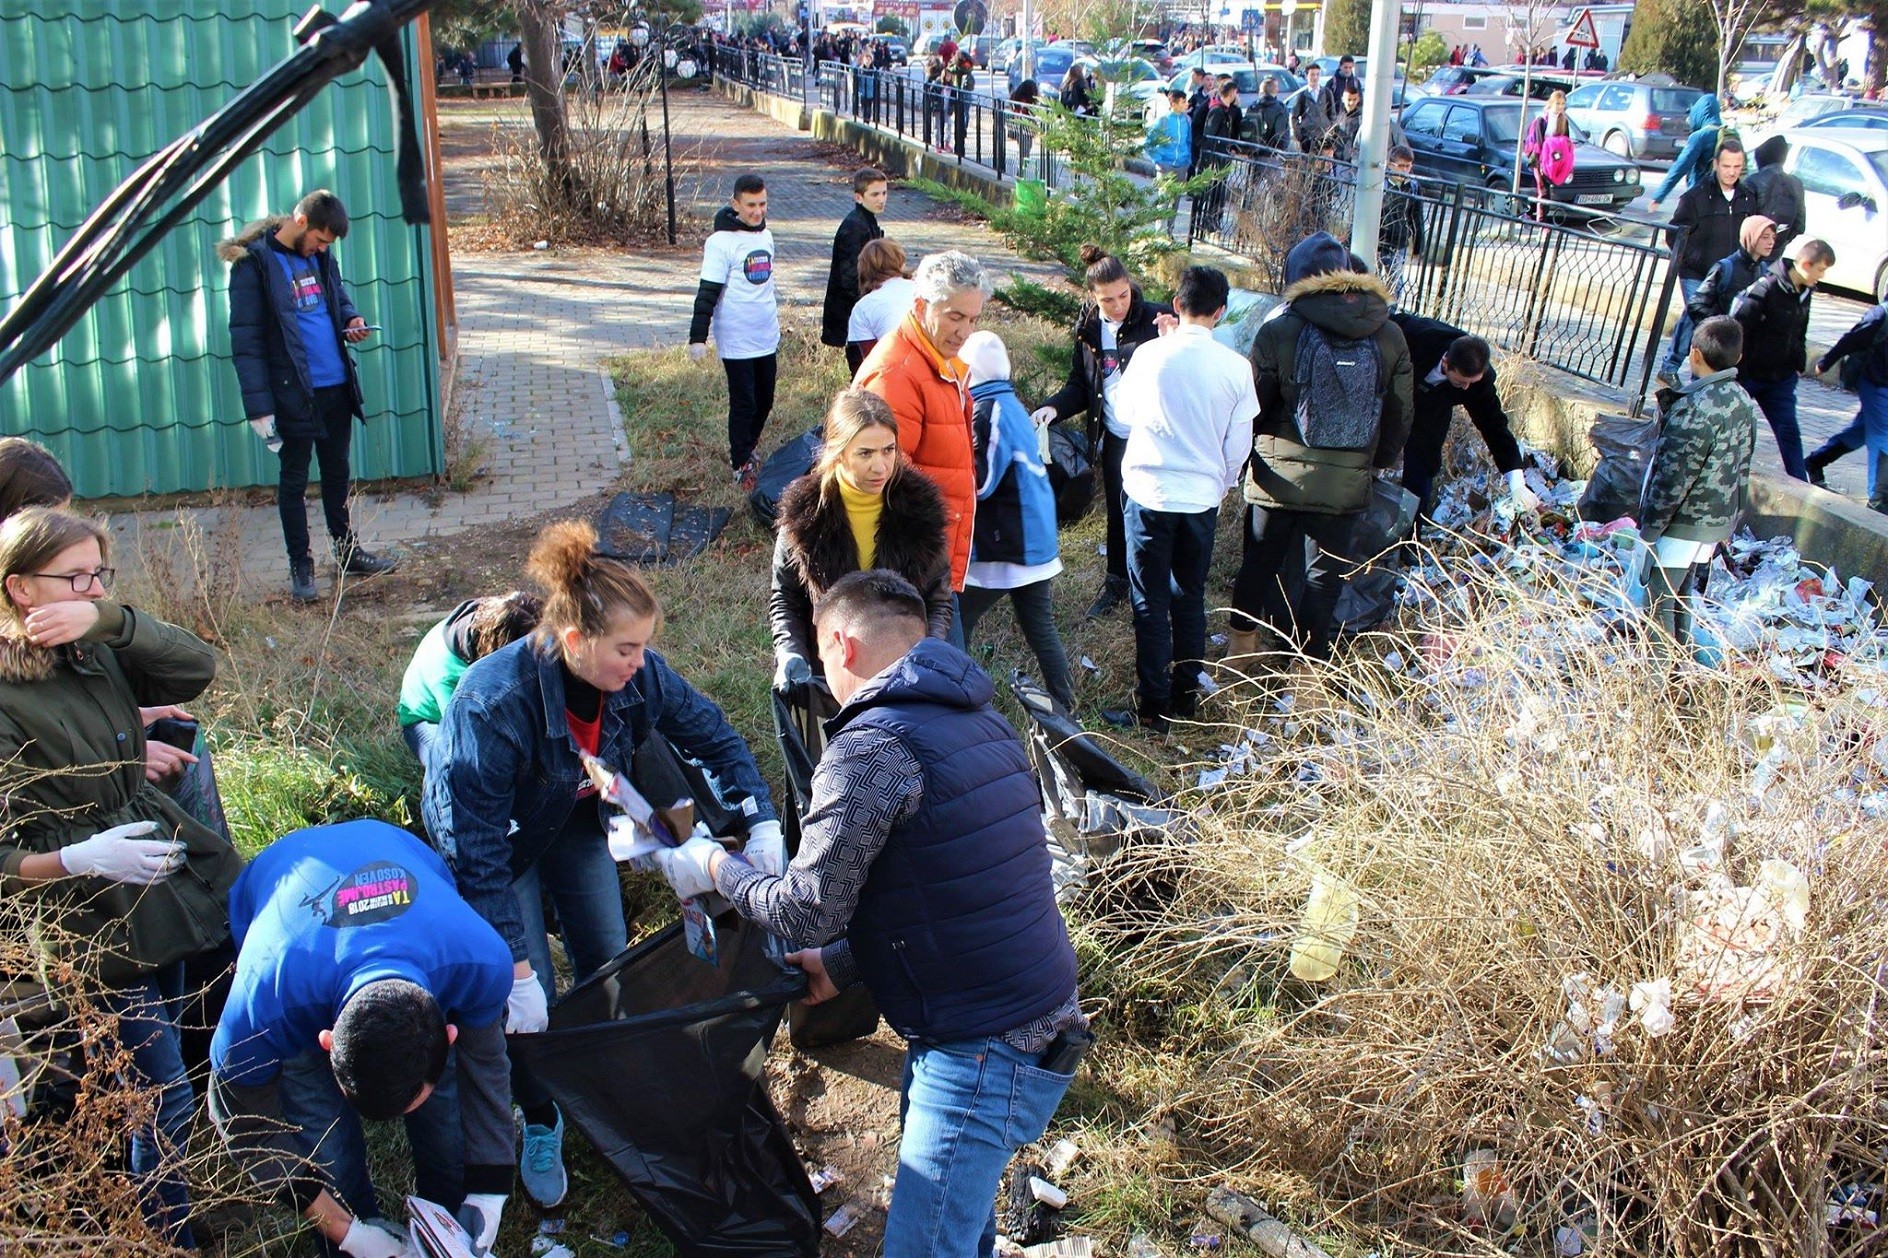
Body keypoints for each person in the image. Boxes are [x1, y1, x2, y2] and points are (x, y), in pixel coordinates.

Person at [654, 569, 1086, 1258]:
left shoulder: (870, 747)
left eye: (823, 661)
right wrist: (845, 962)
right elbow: (951, 890)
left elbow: (800, 912)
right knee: (957, 1223)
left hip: (980, 1045)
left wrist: (711, 865)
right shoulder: (984, 720)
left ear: (841, 645)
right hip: (1030, 1015)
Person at [423, 520, 781, 1210]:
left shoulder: (636, 677)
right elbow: (475, 850)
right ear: (574, 641)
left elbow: (710, 733)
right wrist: (517, 965)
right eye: (626, 648)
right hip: (500, 840)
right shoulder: (491, 705)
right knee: (525, 1000)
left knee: (607, 955)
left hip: (575, 819)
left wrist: (758, 819)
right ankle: (541, 1115)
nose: (640, 663)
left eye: (645, 646)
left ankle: (613, 1084)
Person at [0, 506, 244, 1247]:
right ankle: (170, 1237)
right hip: (87, 917)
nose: (92, 588)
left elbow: (196, 668)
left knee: (167, 1057)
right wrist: (78, 857)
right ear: (18, 588)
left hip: (154, 883)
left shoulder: (90, 646)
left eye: (100, 575)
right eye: (74, 577)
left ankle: (161, 1204)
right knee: (159, 1098)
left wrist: (112, 621)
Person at [208, 820, 517, 1258]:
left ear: (450, 1034)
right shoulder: (266, 1001)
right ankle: (353, 1241)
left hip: (399, 860)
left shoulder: (479, 960)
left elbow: (486, 1065)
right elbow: (243, 1120)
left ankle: (445, 1232)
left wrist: (489, 1186)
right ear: (327, 1042)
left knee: (447, 1126)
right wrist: (344, 1231)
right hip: (284, 892)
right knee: (328, 1146)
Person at [1231, 235, 1411, 672]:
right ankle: (1309, 676)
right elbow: (1400, 411)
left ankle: (1238, 657)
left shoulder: (1279, 330)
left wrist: (1246, 455)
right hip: (1346, 482)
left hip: (1278, 477)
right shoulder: (1388, 333)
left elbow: (1254, 404)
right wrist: (1375, 462)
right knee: (1325, 578)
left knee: (1259, 563)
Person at [223, 189, 395, 604]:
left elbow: (336, 300)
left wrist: (352, 319)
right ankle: (301, 566)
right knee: (294, 481)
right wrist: (258, 408)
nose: (322, 249)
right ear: (301, 222)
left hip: (336, 385)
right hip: (292, 394)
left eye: (327, 246)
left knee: (336, 472)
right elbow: (246, 342)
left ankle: (347, 551)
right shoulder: (255, 265)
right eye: (320, 240)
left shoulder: (320, 258)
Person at [1114, 266, 1258, 729]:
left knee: (1149, 601)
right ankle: (1185, 698)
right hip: (1200, 497)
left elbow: (1123, 414)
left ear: (1176, 304)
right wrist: (1224, 482)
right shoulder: (1237, 368)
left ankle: (1153, 707)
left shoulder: (1150, 355)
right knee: (1189, 597)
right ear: (1220, 312)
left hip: (1149, 492)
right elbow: (1240, 443)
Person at [771, 388, 953, 693]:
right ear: (839, 453)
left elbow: (938, 598)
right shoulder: (804, 516)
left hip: (905, 675)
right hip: (833, 675)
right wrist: (790, 650)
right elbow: (785, 597)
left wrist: (929, 651)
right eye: (865, 453)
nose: (880, 466)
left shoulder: (921, 512)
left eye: (888, 450)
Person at [1030, 247, 1175, 620]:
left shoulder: (1158, 318)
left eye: (1123, 295)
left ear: (1130, 286)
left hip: (1154, 437)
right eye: (1107, 299)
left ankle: (1157, 588)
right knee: (1118, 511)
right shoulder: (1091, 324)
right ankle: (1116, 584)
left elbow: (1183, 377)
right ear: (1093, 297)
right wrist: (1053, 407)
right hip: (1114, 435)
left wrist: (1174, 341)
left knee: (1153, 514)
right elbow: (1081, 384)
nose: (1117, 305)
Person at [856, 250, 989, 608]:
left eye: (974, 319)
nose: (965, 331)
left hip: (932, 558)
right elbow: (884, 481)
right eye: (955, 317)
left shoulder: (940, 361)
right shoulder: (897, 374)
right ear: (920, 306)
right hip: (910, 570)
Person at [959, 331, 1076, 712]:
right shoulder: (1009, 403)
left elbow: (983, 481)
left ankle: (960, 700)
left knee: (956, 618)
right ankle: (1066, 705)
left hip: (1010, 542)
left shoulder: (987, 410)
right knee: (1039, 626)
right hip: (1034, 538)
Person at [1637, 317, 1760, 647]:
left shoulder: (1695, 407)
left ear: (1694, 355)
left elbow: (1672, 478)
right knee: (1680, 598)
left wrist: (1650, 529)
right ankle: (1681, 678)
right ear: (1739, 356)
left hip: (1682, 524)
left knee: (1658, 605)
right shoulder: (1742, 400)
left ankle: (1656, 686)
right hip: (1714, 521)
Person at [1391, 314, 1535, 523]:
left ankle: (1410, 540)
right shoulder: (1417, 335)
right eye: (1460, 381)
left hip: (1432, 410)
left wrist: (1518, 484)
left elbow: (1494, 426)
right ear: (1446, 361)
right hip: (1393, 395)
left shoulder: (1478, 383)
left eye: (1471, 382)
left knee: (1422, 467)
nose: (1467, 387)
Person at [688, 174, 780, 493]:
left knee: (765, 399)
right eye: (751, 205)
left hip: (766, 335)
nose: (758, 211)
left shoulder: (766, 236)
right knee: (744, 402)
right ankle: (740, 463)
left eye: (763, 204)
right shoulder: (720, 243)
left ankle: (749, 446)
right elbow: (708, 291)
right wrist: (698, 337)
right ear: (736, 204)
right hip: (737, 338)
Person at [397, 592, 542, 771]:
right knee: (459, 767)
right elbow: (466, 734)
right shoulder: (449, 678)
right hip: (426, 720)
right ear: (500, 649)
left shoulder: (500, 616)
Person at [1730, 238, 1836, 481]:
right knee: (1734, 427)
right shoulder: (1766, 288)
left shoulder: (1805, 293)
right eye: (1821, 270)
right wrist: (1739, 371)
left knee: (1788, 430)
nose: (1821, 276)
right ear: (1806, 265)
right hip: (1750, 375)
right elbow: (1739, 328)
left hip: (1781, 378)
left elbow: (1800, 331)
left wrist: (1798, 361)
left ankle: (1799, 483)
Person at [1656, 141, 1756, 388]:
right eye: (1726, 166)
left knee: (1706, 320)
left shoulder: (1747, 197)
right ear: (1715, 165)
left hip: (1727, 274)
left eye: (1737, 166)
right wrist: (1696, 259)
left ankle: (1672, 366)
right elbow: (1674, 235)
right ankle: (1695, 377)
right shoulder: (1697, 197)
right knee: (1703, 319)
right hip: (1697, 272)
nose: (1732, 172)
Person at [1812, 301, 1888, 509]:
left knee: (1860, 432)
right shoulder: (1881, 315)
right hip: (1877, 384)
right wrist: (1826, 362)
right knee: (1883, 438)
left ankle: (1814, 462)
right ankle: (1878, 501)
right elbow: (1851, 339)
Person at [821, 168, 889, 359]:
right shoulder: (854, 227)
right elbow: (848, 278)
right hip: (853, 316)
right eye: (875, 194)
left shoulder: (867, 222)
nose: (881, 199)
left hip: (861, 311)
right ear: (859, 197)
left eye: (884, 193)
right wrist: (870, 304)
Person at [1687, 215, 1776, 322]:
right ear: (1750, 237)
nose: (1771, 242)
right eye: (1765, 237)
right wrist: (1722, 326)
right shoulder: (1725, 267)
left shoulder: (1763, 269)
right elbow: (1696, 304)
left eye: (1773, 237)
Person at [847, 238, 917, 370]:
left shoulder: (864, 307)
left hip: (903, 376)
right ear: (901, 262)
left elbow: (866, 364)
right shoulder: (923, 289)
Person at [1647, 95, 1724, 210]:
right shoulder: (1729, 134)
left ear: (1699, 113)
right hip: (1725, 199)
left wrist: (1659, 196)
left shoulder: (1700, 137)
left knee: (1680, 225)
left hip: (1700, 198)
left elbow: (1680, 168)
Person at [1744, 136, 1805, 259]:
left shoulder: (1753, 181)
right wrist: (1778, 243)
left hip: (1748, 251)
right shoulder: (1796, 184)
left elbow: (1739, 219)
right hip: (1775, 252)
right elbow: (1800, 226)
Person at [1524, 90, 1574, 214]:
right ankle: (1542, 224)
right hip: (1540, 159)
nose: (1560, 107)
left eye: (1562, 104)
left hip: (1554, 160)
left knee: (1546, 191)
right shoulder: (1541, 120)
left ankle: (1530, 212)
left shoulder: (1564, 121)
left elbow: (1565, 142)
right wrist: (1540, 164)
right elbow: (1538, 144)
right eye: (1557, 103)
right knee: (1544, 191)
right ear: (1551, 103)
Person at [1146, 88, 1194, 180]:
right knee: (1165, 193)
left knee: (1179, 194)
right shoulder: (1163, 120)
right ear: (1173, 104)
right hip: (1165, 165)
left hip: (1182, 165)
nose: (1187, 104)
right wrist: (1158, 160)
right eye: (1183, 102)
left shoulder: (1187, 120)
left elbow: (1189, 141)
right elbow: (1149, 141)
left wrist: (1188, 160)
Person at [1244, 75, 1291, 152]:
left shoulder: (1252, 107)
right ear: (1276, 90)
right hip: (1272, 153)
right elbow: (1281, 135)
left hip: (1253, 151)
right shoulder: (1280, 108)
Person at [1291, 65, 1331, 153]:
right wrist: (1300, 135)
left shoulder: (1327, 93)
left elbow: (1332, 114)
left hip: (1324, 137)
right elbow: (1294, 116)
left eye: (1317, 74)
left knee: (1324, 164)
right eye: (1312, 75)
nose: (1315, 77)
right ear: (1306, 76)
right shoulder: (1302, 95)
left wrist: (1330, 132)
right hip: (1307, 138)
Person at [1008, 79, 1042, 176]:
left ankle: (1021, 171)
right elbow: (1031, 114)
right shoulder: (1026, 102)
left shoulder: (1015, 96)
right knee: (1025, 150)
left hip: (1018, 126)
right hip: (1025, 128)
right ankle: (1021, 172)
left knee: (1024, 150)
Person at [1327, 83, 1364, 164]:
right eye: (1349, 99)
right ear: (1343, 99)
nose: (1351, 103)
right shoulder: (1336, 118)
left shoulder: (1363, 119)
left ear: (1358, 100)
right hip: (1338, 160)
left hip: (1356, 161)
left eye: (1354, 100)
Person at [1186, 67, 1213, 175]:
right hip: (1196, 132)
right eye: (1207, 79)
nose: (1210, 82)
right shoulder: (1196, 97)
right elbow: (1188, 111)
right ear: (1202, 81)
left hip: (1209, 132)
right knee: (1194, 158)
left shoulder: (1216, 97)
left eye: (1212, 80)